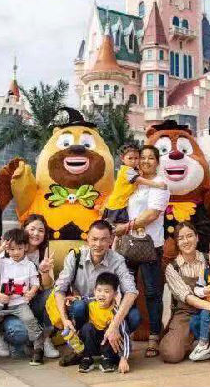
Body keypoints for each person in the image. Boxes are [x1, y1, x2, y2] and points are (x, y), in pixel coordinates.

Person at [54, 220, 140, 367]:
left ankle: (112, 348)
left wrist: (114, 325)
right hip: (84, 309)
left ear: (111, 240)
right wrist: (64, 319)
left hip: (108, 309)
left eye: (103, 239)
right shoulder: (75, 256)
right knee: (79, 307)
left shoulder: (117, 260)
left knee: (134, 316)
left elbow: (131, 292)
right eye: (94, 239)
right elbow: (59, 289)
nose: (98, 244)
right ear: (87, 238)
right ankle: (81, 351)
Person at [112, 144, 169, 358]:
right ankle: (125, 333)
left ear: (157, 161)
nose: (144, 161)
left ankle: (154, 335)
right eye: (141, 157)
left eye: (150, 158)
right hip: (128, 245)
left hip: (150, 245)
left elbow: (152, 214)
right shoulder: (133, 182)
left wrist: (125, 227)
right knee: (127, 291)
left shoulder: (160, 184)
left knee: (153, 293)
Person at [160, 222, 210, 363]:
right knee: (171, 354)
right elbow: (187, 297)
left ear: (197, 237)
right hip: (185, 312)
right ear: (177, 243)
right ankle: (189, 338)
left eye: (190, 236)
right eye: (181, 238)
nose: (186, 241)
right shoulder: (172, 268)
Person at [0, 228, 44, 366]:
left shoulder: (29, 265)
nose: (16, 252)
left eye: (19, 248)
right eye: (12, 249)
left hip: (20, 303)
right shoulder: (2, 262)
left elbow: (35, 283)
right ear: (7, 249)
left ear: (25, 247)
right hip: (2, 303)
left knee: (30, 319)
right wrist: (0, 249)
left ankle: (38, 349)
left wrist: (31, 292)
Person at [78, 272, 132, 374]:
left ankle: (107, 359)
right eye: (99, 290)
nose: (102, 294)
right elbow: (81, 300)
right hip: (92, 342)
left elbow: (125, 335)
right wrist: (73, 300)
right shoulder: (90, 303)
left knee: (110, 329)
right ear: (94, 291)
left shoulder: (116, 312)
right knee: (87, 327)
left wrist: (124, 358)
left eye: (106, 291)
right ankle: (86, 358)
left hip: (108, 345)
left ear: (115, 294)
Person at [103, 142, 145, 226]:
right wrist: (158, 184)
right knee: (117, 228)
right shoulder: (127, 170)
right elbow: (141, 180)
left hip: (118, 204)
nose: (133, 161)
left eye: (136, 158)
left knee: (117, 228)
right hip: (117, 205)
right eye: (130, 158)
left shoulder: (131, 170)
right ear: (122, 158)